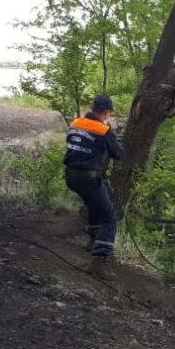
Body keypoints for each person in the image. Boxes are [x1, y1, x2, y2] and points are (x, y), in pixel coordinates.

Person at [63, 95, 125, 272]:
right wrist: (111, 130)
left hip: (70, 176)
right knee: (110, 217)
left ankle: (92, 241)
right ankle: (99, 262)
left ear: (92, 108)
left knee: (94, 205)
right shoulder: (103, 130)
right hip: (87, 178)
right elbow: (118, 154)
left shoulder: (76, 123)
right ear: (107, 112)